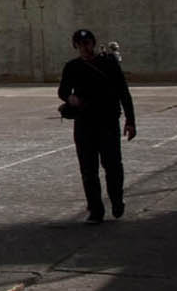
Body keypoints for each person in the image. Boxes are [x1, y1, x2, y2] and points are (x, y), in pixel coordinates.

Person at [57, 28, 136, 224]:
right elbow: (63, 90)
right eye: (80, 43)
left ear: (93, 43)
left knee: (113, 166)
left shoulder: (108, 62)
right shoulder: (72, 67)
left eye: (87, 42)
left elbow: (123, 92)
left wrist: (130, 120)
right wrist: (70, 98)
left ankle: (117, 200)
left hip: (108, 121)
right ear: (75, 46)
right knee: (88, 169)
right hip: (84, 123)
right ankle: (95, 209)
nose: (85, 47)